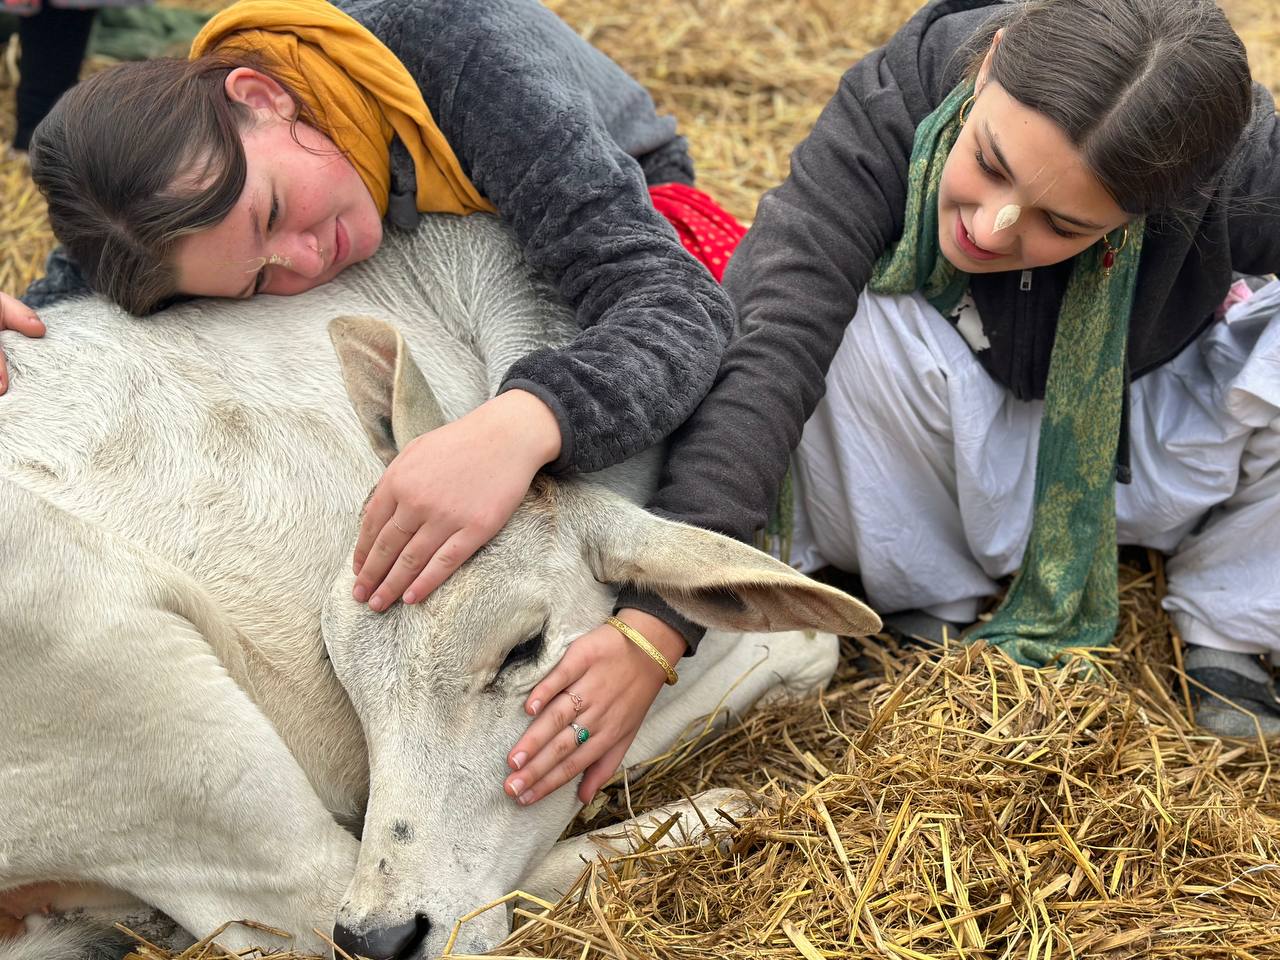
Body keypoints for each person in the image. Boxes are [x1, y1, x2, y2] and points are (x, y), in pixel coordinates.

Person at [507, 0, 1280, 805]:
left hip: (1118, 447)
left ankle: (1234, 614)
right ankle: (928, 595)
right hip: (930, 447)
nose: (989, 226)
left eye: (1060, 221)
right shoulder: (901, 90)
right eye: (989, 159)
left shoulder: (1235, 166)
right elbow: (776, 335)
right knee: (834, 316)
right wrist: (660, 620)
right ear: (990, 64)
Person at [2, 0, 751, 804]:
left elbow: (675, 305)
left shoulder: (456, 53)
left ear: (262, 97)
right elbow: (78, 277)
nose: (304, 257)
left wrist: (521, 425)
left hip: (624, 203)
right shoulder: (183, 178)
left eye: (275, 213)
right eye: (259, 281)